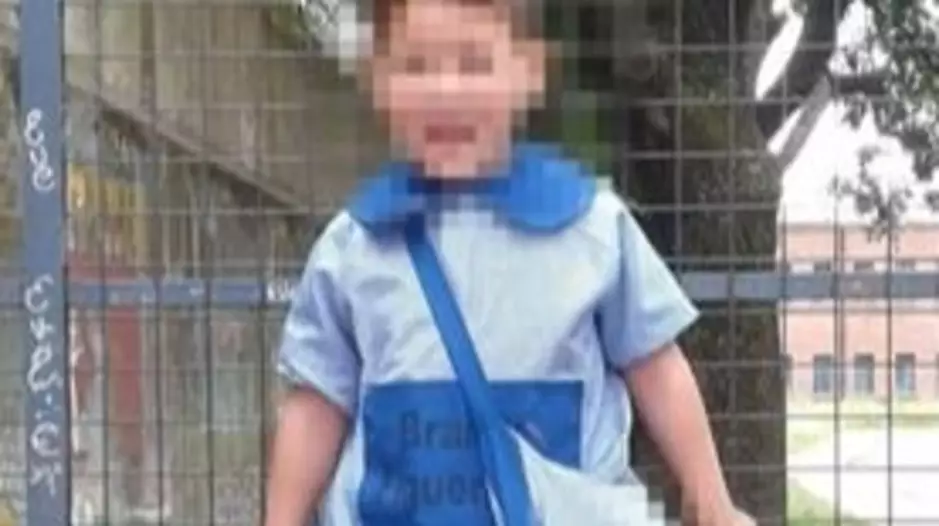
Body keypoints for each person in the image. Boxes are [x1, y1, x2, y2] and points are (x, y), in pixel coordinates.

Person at [264, 0, 755, 524]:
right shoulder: (352, 247)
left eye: (474, 64)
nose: (445, 92)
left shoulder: (590, 227)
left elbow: (656, 364)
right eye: (416, 66)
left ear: (526, 71)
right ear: (380, 80)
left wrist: (711, 498)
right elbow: (317, 399)